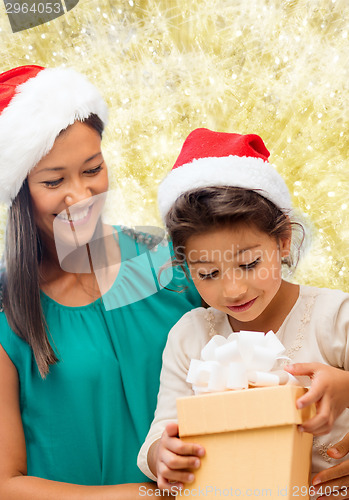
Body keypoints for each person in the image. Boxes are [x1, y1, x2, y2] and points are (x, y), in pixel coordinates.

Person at [0, 65, 201, 499]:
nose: (81, 196)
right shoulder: (7, 313)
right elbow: (5, 483)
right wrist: (140, 496)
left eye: (92, 169)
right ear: (18, 193)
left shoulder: (168, 264)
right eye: (54, 181)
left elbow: (272, 350)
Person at [137, 128, 349, 496]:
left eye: (249, 264)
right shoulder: (190, 336)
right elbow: (163, 429)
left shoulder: (334, 317)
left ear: (283, 242)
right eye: (209, 273)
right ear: (186, 267)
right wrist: (162, 455)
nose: (233, 289)